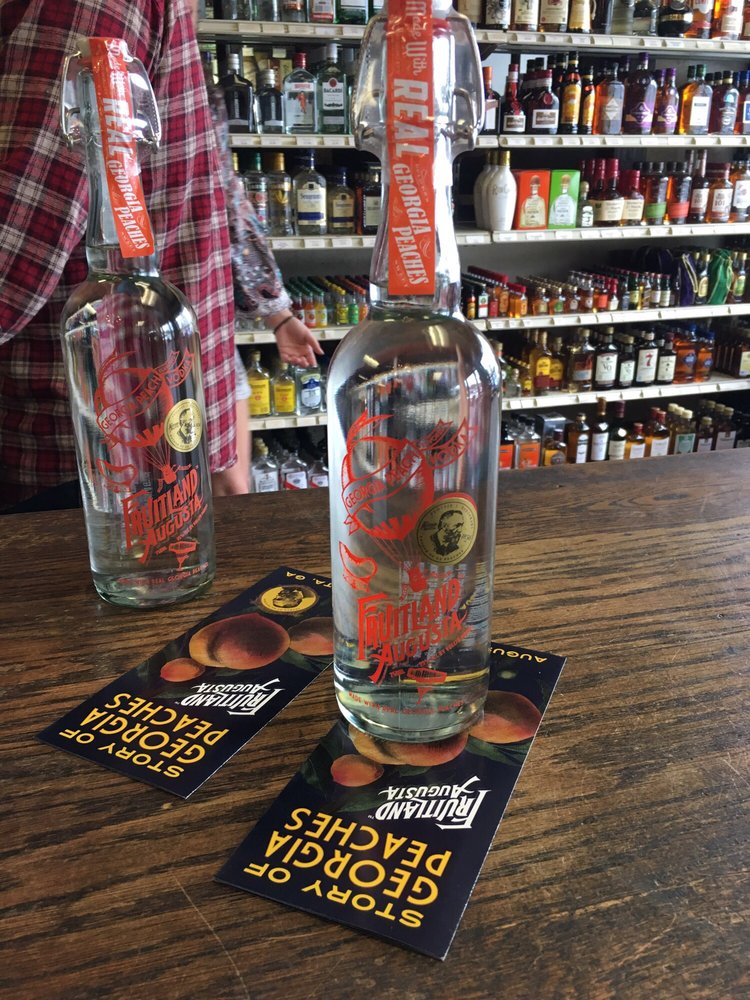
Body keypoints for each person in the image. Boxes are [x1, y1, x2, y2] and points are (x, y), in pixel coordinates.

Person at [0, 0, 319, 511]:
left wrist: (276, 310)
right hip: (142, 394)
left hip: (90, 419)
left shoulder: (91, 7)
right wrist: (275, 307)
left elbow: (25, 233)